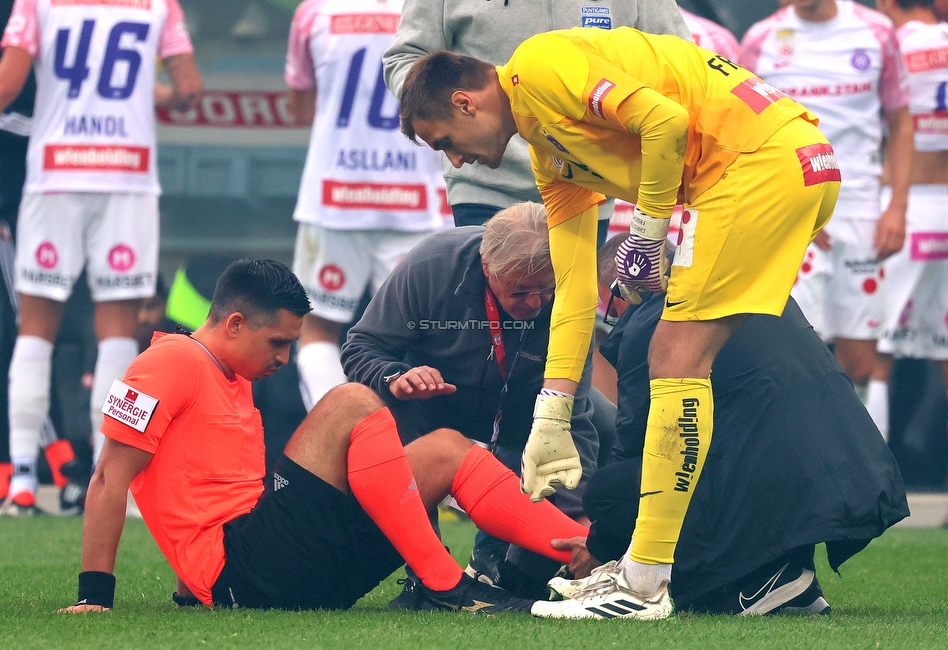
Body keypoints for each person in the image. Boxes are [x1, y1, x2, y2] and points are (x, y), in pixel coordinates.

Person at [399, 26, 840, 618]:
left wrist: (648, 232)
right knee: (701, 355)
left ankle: (643, 584)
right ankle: (661, 571)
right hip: (794, 163)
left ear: (465, 101)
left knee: (674, 355)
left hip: (759, 167)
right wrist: (552, 410)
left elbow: (665, 123)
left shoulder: (537, 65)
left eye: (443, 141)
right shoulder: (548, 150)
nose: (454, 159)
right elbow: (575, 290)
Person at [58, 259, 589, 614]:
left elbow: (197, 492)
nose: (284, 359)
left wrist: (188, 592)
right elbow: (109, 477)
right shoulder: (165, 362)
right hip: (249, 574)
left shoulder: (231, 373)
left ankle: (590, 560)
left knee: (446, 449)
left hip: (281, 569)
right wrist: (95, 596)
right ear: (235, 323)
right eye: (278, 343)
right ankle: (444, 583)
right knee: (353, 399)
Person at [530, 235, 909, 618]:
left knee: (611, 491)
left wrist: (600, 544)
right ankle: (785, 572)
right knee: (738, 447)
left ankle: (747, 581)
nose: (609, 314)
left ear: (624, 283)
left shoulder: (651, 324)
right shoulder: (754, 283)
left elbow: (642, 445)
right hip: (853, 468)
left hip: (772, 475)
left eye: (607, 302)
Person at [0, 0, 202, 513]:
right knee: (117, 338)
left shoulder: (38, 2)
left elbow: (6, 85)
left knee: (33, 332)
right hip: (126, 177)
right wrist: (151, 95)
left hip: (54, 175)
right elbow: (190, 92)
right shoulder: (158, 4)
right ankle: (110, 482)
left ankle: (19, 484)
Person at [342, 202, 599, 593]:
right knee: (379, 408)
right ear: (486, 268)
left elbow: (575, 421)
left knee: (610, 427)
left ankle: (527, 573)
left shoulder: (572, 287)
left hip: (530, 410)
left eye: (546, 290)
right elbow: (360, 346)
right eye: (520, 291)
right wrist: (396, 377)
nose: (535, 303)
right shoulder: (431, 264)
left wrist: (577, 522)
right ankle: (427, 578)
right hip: (430, 405)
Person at [382, 0, 691, 242]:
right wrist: (445, 110)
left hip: (587, 183)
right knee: (496, 319)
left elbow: (679, 59)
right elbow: (404, 57)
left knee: (569, 305)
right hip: (486, 187)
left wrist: (650, 225)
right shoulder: (476, 132)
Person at [741, 0, 912, 399]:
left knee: (861, 363)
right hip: (790, 215)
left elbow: (902, 123)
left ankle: (867, 457)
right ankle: (805, 457)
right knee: (795, 350)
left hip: (860, 211)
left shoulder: (877, 32)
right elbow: (744, 131)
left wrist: (898, 207)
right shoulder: (760, 39)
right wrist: (785, 202)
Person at [285, 0, 446, 413]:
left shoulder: (315, 11)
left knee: (318, 328)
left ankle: (339, 442)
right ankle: (430, 460)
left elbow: (301, 108)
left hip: (335, 197)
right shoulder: (435, 8)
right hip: (417, 202)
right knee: (428, 335)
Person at [0, 0, 86, 517]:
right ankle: (44, 466)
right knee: (25, 327)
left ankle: (26, 468)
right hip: (7, 186)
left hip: (56, 180)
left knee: (27, 328)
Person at [871, 0, 948, 528]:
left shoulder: (892, 43)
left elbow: (887, 125)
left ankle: (869, 500)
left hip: (906, 205)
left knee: (874, 356)